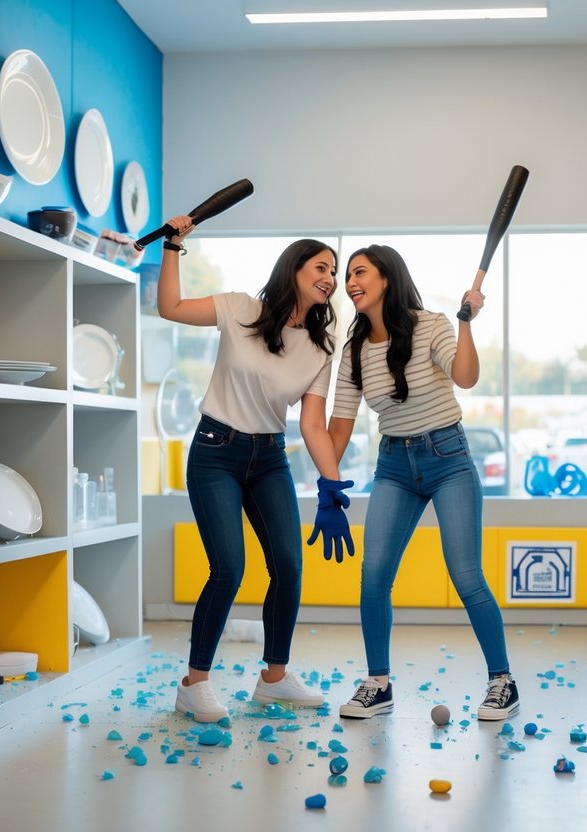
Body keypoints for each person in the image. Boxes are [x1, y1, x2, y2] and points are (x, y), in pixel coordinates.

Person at [157, 216, 353, 723]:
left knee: (288, 566)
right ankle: (193, 684)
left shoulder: (320, 348)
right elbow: (170, 307)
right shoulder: (241, 308)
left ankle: (273, 678)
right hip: (215, 450)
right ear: (293, 269)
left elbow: (312, 425)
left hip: (269, 458)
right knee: (229, 568)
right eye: (321, 266)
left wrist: (331, 487)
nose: (330, 276)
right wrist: (175, 245)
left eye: (333, 270)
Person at [327, 244, 518, 720]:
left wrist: (467, 321)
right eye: (348, 274)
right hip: (393, 464)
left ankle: (503, 683)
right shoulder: (353, 350)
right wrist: (325, 482)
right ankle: (378, 684)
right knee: (373, 577)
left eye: (360, 272)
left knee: (466, 576)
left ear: (387, 278)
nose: (350, 282)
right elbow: (341, 423)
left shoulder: (432, 324)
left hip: (448, 458)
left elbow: (466, 377)